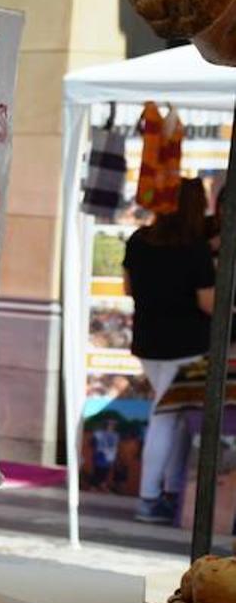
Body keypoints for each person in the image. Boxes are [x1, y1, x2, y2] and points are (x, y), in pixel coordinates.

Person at [124, 178, 214, 524]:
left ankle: (169, 494)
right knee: (168, 418)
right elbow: (208, 304)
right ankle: (150, 498)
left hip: (149, 343)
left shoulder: (139, 240)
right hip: (188, 346)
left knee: (173, 418)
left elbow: (128, 286)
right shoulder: (195, 249)